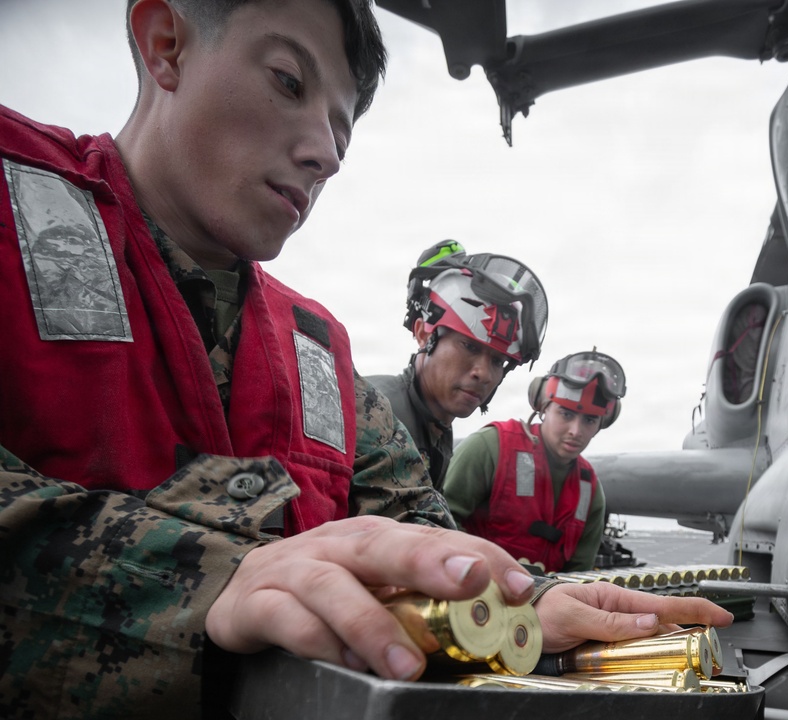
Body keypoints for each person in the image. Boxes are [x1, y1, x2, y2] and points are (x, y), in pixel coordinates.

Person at [0, 2, 731, 717]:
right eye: (289, 81)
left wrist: (530, 600)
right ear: (165, 45)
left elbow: (419, 529)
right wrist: (209, 579)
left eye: (341, 132)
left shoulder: (315, 359)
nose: (325, 152)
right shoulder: (13, 210)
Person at [369, 240, 548, 489]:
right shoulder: (374, 412)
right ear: (423, 334)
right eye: (470, 347)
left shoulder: (436, 426)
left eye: (498, 360)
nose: (484, 373)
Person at [444, 350, 627, 573]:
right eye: (566, 414)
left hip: (549, 602)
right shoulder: (490, 447)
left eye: (589, 420)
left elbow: (580, 574)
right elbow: (442, 526)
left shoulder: (589, 490)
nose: (576, 431)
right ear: (543, 407)